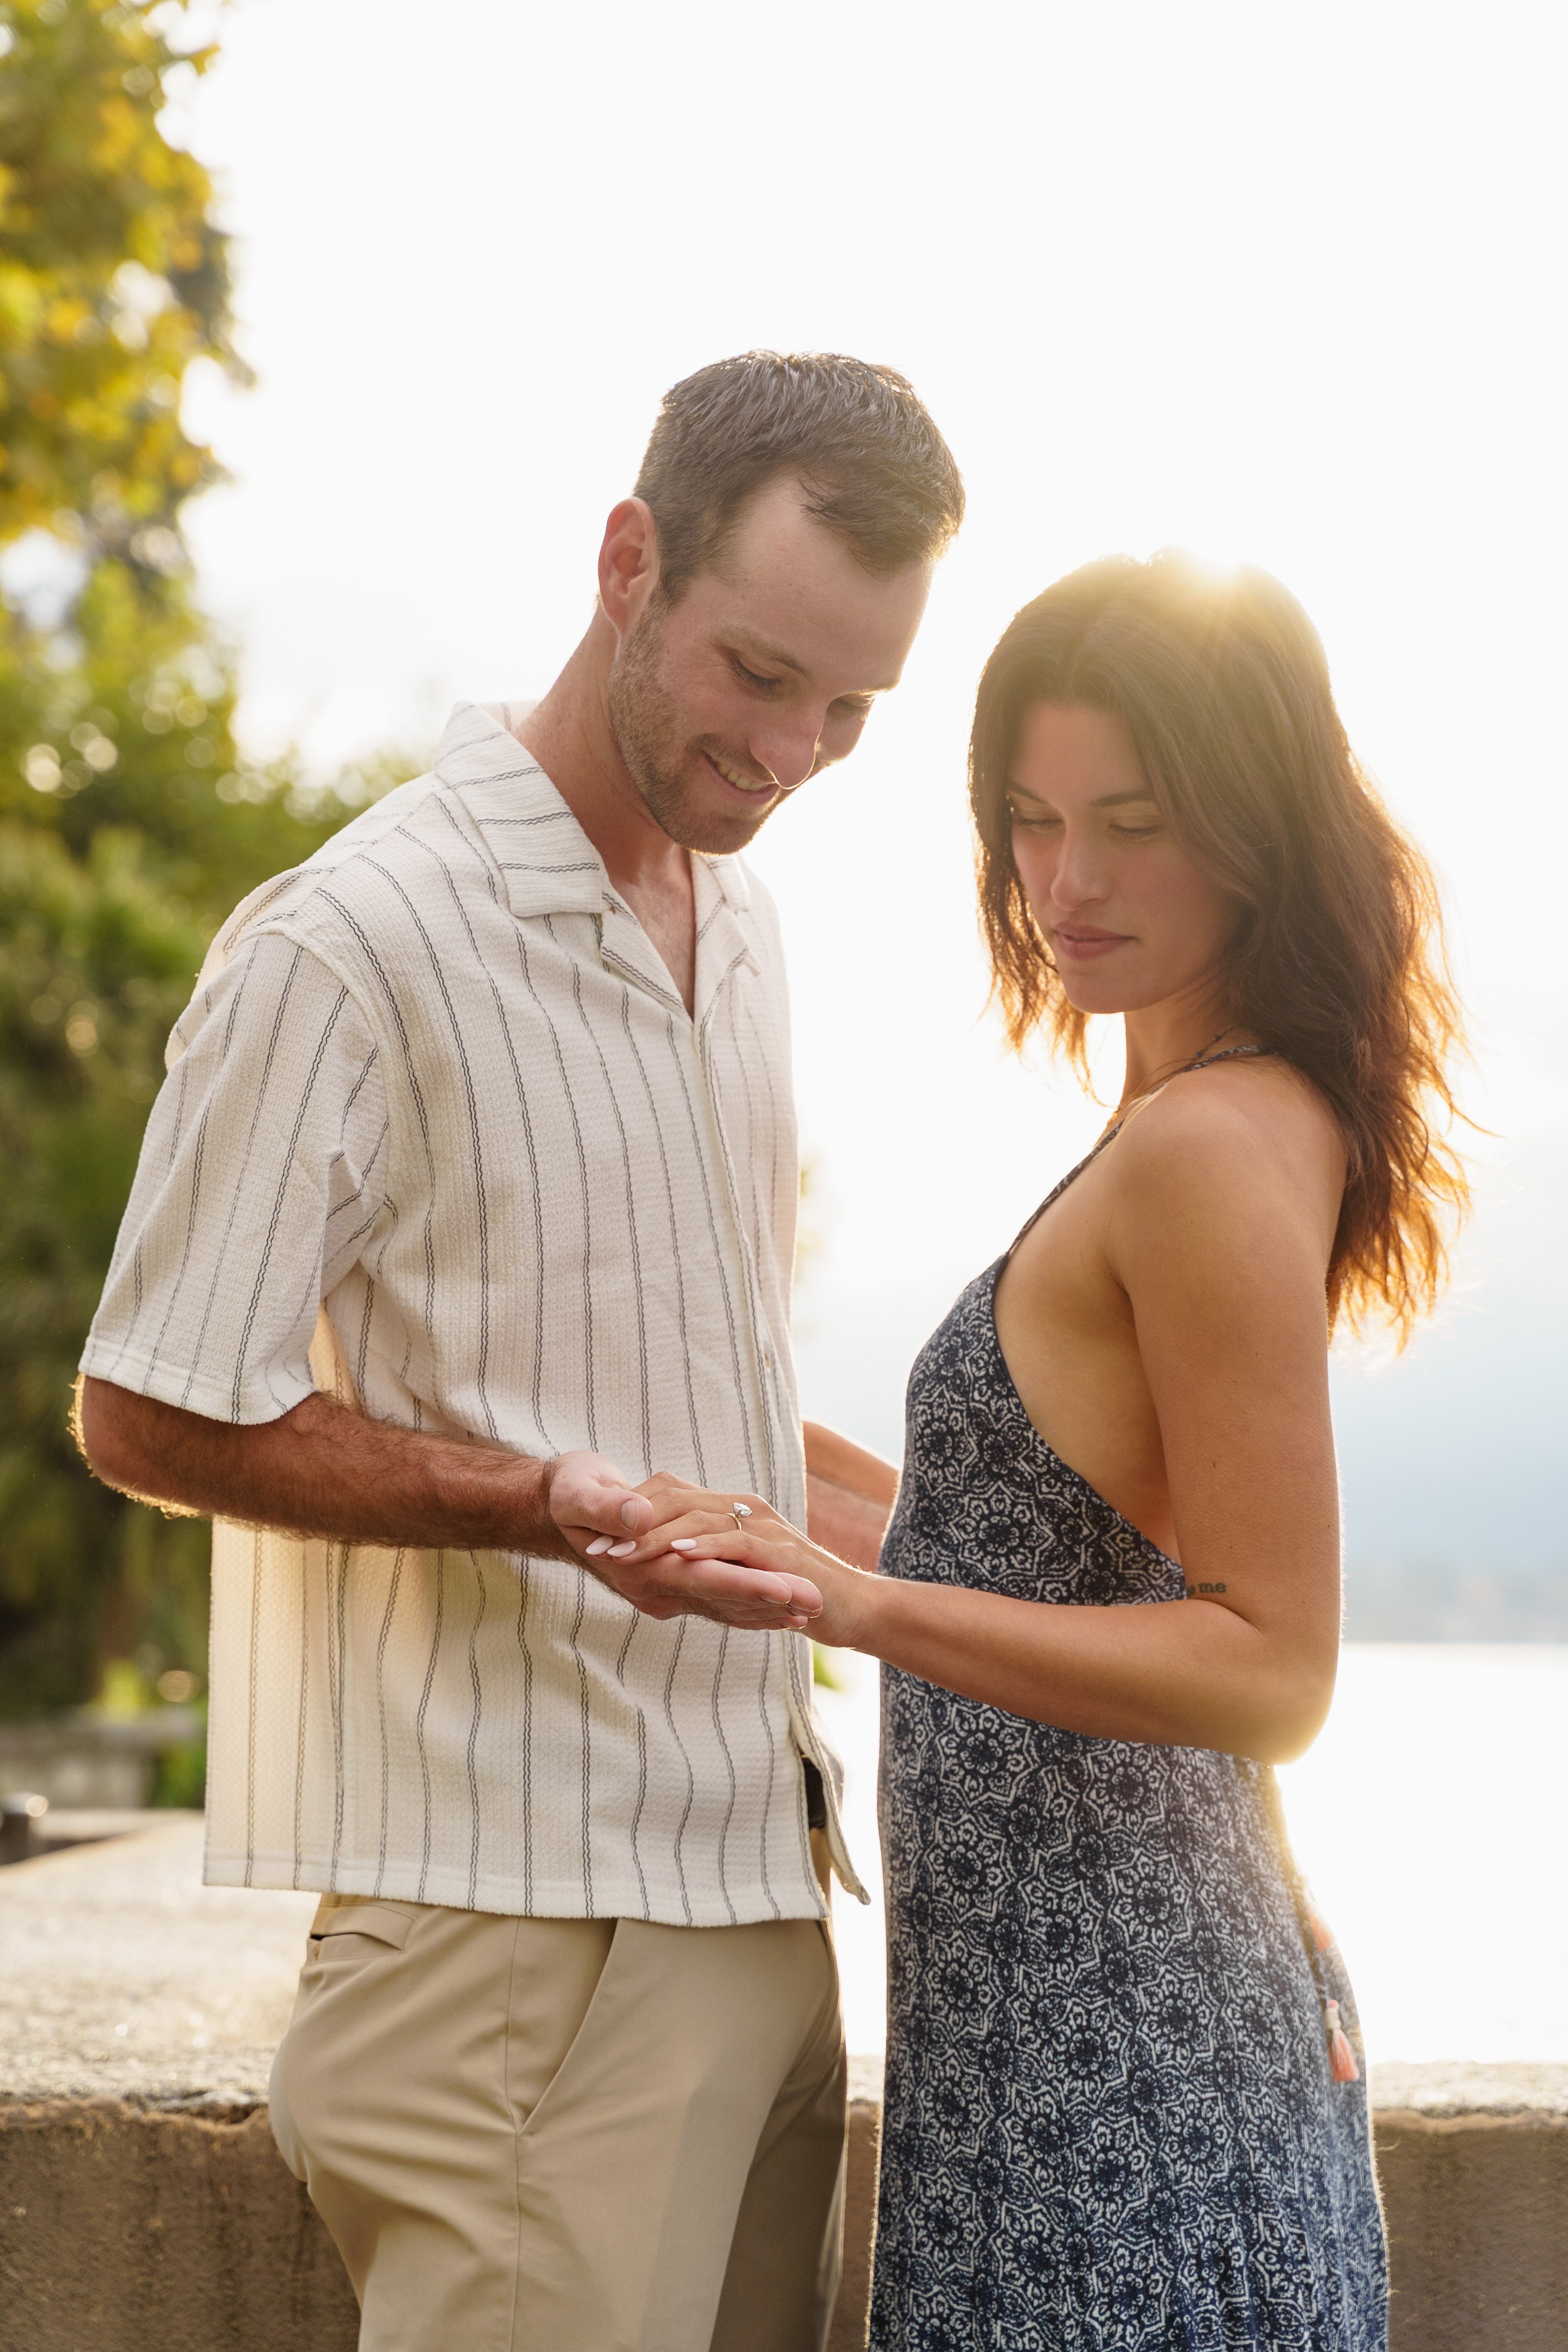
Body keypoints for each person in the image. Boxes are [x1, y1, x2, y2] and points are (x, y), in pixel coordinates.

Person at [75, 351, 960, 2352]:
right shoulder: (348, 943)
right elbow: (146, 1401)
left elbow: (686, 1407)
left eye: (850, 707)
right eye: (757, 673)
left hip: (760, 1890)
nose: (793, 748)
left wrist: (995, 1557)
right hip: (509, 1945)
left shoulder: (743, 935)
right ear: (627, 561)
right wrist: (534, 1505)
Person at [620, 552, 1468, 2348]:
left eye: (1130, 822)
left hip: (1123, 2082)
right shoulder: (1181, 1114)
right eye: (1026, 821)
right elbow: (1028, 1532)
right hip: (1054, 2056)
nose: (1066, 884)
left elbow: (1269, 1664)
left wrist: (847, 1607)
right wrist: (730, 1459)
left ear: (1251, 828)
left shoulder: (1206, 1150)